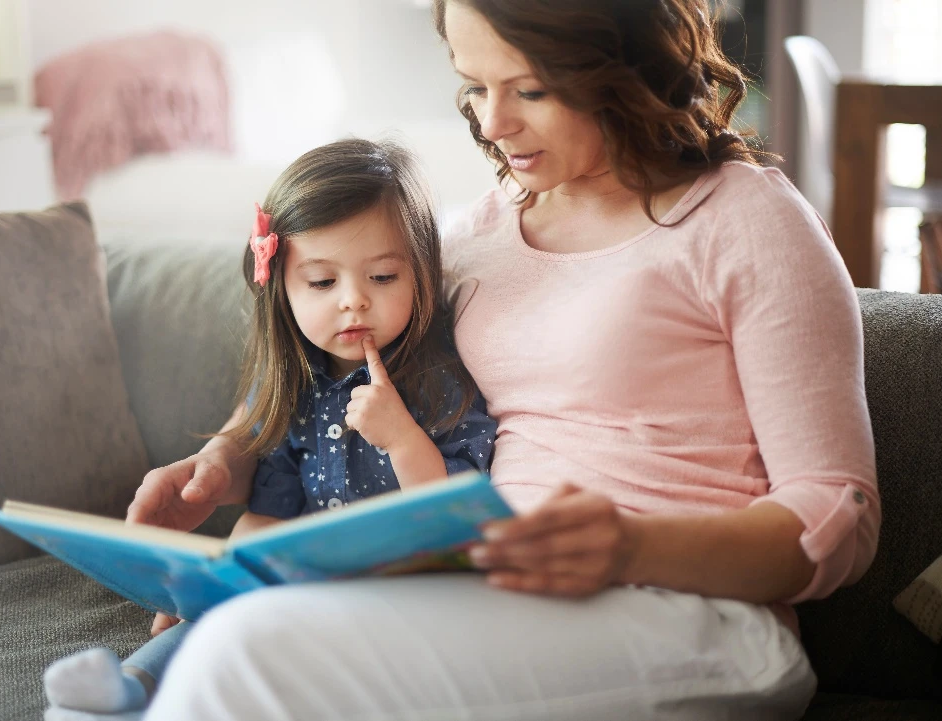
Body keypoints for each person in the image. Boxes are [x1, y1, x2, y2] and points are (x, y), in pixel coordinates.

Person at [129, 1, 881, 719]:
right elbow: (332, 362)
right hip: (483, 584)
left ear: (625, 64)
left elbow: (839, 514)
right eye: (473, 85)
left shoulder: (746, 220)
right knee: (235, 628)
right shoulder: (475, 234)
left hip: (695, 619)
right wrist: (229, 454)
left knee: (248, 654)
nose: (492, 121)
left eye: (529, 88)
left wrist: (627, 544)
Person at [41, 138, 496, 721]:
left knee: (258, 651)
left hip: (397, 599)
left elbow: (460, 519)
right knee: (207, 623)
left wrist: (403, 438)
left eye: (382, 277)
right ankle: (129, 685)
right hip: (298, 587)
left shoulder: (442, 383)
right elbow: (268, 508)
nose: (354, 302)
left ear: (421, 275)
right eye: (323, 283)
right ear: (281, 286)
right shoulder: (294, 383)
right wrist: (218, 581)